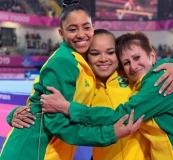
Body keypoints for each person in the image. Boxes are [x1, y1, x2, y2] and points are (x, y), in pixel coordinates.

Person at [8, 29, 173, 160]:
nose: (104, 58)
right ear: (86, 57)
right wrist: (14, 114)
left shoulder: (131, 76)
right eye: (95, 53)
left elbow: (154, 65)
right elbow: (39, 99)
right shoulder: (81, 85)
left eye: (110, 52)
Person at [0, 4, 144, 160]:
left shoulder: (84, 64)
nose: (81, 34)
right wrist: (110, 134)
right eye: (72, 29)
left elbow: (36, 98)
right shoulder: (64, 61)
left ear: (92, 28)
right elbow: (56, 123)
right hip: (34, 152)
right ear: (61, 33)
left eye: (86, 27)